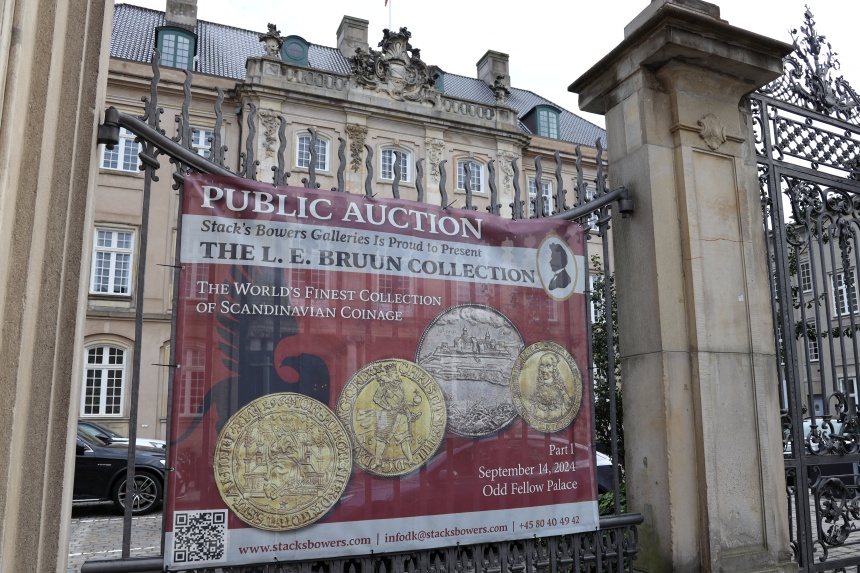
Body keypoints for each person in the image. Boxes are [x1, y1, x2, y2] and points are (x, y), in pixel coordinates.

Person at [371, 363, 422, 468]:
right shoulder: (383, 385)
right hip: (385, 415)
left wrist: (413, 404)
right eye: (394, 372)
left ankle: (410, 460)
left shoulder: (399, 385)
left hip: (401, 414)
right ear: (389, 374)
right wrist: (387, 407)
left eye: (396, 372)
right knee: (380, 440)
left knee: (405, 439)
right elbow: (376, 398)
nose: (396, 374)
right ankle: (377, 462)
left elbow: (403, 401)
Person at [530, 351, 570, 422]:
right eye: (542, 366)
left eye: (548, 366)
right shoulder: (536, 391)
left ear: (554, 368)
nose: (544, 370)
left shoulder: (562, 392)